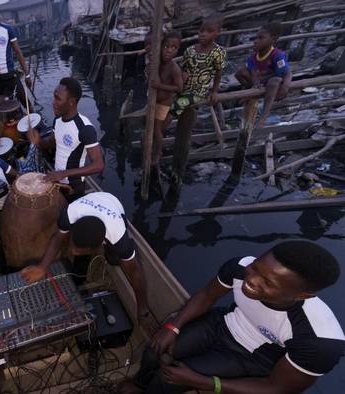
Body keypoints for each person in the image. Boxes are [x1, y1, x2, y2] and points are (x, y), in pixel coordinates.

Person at [120, 240, 344, 394]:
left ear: (302, 295)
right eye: (256, 268)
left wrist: (202, 382)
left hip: (254, 358)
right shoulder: (239, 267)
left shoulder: (320, 341)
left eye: (268, 283)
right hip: (222, 325)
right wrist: (173, 327)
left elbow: (277, 388)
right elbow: (208, 295)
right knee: (153, 350)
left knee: (166, 380)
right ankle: (139, 384)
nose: (251, 280)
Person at [21, 192, 149, 326]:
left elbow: (135, 273)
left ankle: (109, 255)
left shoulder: (119, 237)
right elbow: (57, 238)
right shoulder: (69, 214)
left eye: (79, 250)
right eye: (74, 246)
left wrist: (143, 308)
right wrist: (42, 267)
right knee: (80, 258)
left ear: (99, 245)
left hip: (113, 202)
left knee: (114, 258)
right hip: (92, 200)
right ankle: (79, 278)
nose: (72, 252)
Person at [169, 14, 227, 193]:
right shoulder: (190, 51)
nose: (203, 34)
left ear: (218, 32)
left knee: (179, 107)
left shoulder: (218, 52)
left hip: (199, 92)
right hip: (184, 87)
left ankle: (164, 124)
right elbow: (183, 69)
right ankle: (164, 123)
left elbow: (218, 73)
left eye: (209, 31)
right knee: (173, 101)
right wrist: (181, 79)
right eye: (201, 30)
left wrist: (215, 91)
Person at [28, 77, 104, 202]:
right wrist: (38, 142)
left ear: (71, 102)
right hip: (57, 179)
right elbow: (52, 142)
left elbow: (98, 165)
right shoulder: (57, 120)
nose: (53, 102)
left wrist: (63, 173)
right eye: (54, 97)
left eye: (58, 99)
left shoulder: (85, 128)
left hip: (73, 187)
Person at [235, 23, 292, 127]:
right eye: (256, 38)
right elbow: (252, 72)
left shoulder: (277, 55)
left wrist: (285, 86)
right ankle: (251, 93)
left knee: (274, 82)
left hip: (273, 82)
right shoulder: (253, 57)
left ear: (273, 39)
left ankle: (263, 117)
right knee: (240, 73)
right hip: (261, 82)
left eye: (261, 38)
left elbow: (286, 72)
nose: (256, 41)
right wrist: (256, 82)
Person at [0, 0, 31, 97]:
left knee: (27, 103)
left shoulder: (8, 29)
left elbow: (18, 53)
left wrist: (27, 75)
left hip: (10, 75)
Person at [148, 31, 183, 165]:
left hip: (164, 102)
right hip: (154, 100)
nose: (169, 50)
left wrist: (160, 86)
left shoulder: (174, 68)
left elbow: (179, 88)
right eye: (166, 47)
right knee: (146, 122)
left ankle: (158, 153)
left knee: (157, 129)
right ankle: (151, 144)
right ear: (161, 47)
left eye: (174, 48)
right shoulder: (157, 62)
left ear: (177, 50)